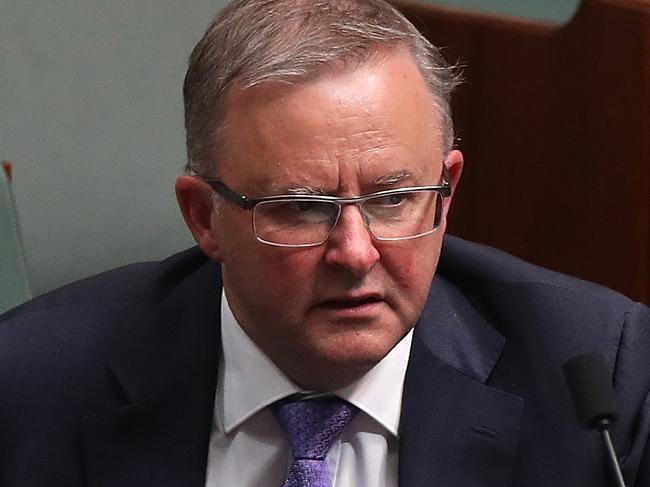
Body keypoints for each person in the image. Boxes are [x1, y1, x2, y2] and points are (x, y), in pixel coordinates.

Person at [1, 0, 649, 485]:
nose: (356, 252)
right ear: (203, 216)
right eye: (303, 208)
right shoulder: (31, 382)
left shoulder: (598, 376)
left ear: (445, 190)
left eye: (393, 199)